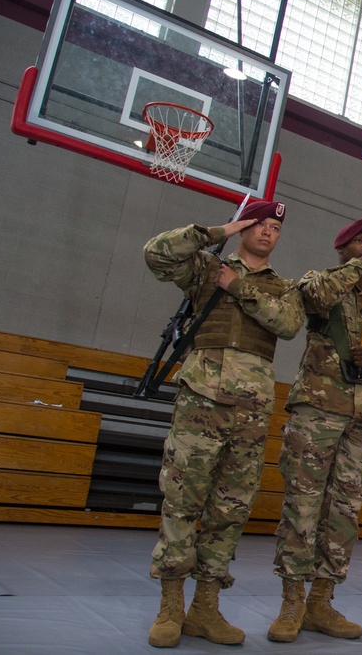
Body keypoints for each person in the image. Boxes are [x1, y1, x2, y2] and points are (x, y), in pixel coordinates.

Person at [143, 200, 304, 648]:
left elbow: (287, 325)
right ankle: (171, 606)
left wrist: (238, 288)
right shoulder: (204, 269)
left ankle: (205, 608)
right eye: (260, 224)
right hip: (201, 401)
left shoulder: (284, 287)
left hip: (251, 409)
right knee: (181, 502)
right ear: (244, 227)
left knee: (229, 511)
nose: (268, 232)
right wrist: (220, 230)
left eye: (275, 227)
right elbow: (156, 252)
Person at [269, 218, 362, 643]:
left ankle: (321, 602)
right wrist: (358, 267)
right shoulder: (323, 282)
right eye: (360, 242)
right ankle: (292, 600)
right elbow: (311, 299)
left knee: (344, 514)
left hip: (361, 419)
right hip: (318, 411)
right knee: (303, 505)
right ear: (342, 249)